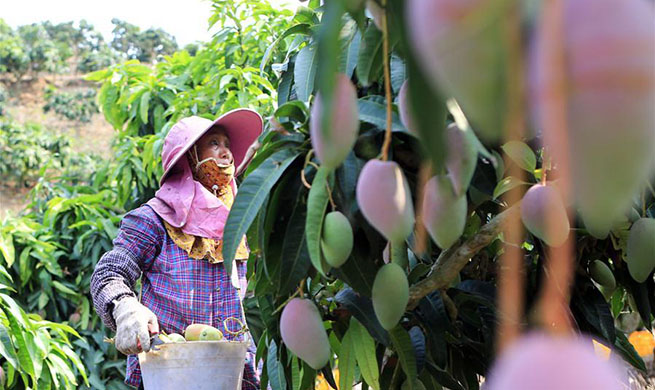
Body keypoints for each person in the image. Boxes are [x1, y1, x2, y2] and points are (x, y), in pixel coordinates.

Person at [90, 109, 263, 389]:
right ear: (190, 156)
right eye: (214, 144)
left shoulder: (239, 220)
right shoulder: (155, 219)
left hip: (232, 370)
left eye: (228, 146)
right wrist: (124, 306)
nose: (226, 155)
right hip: (172, 369)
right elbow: (109, 272)